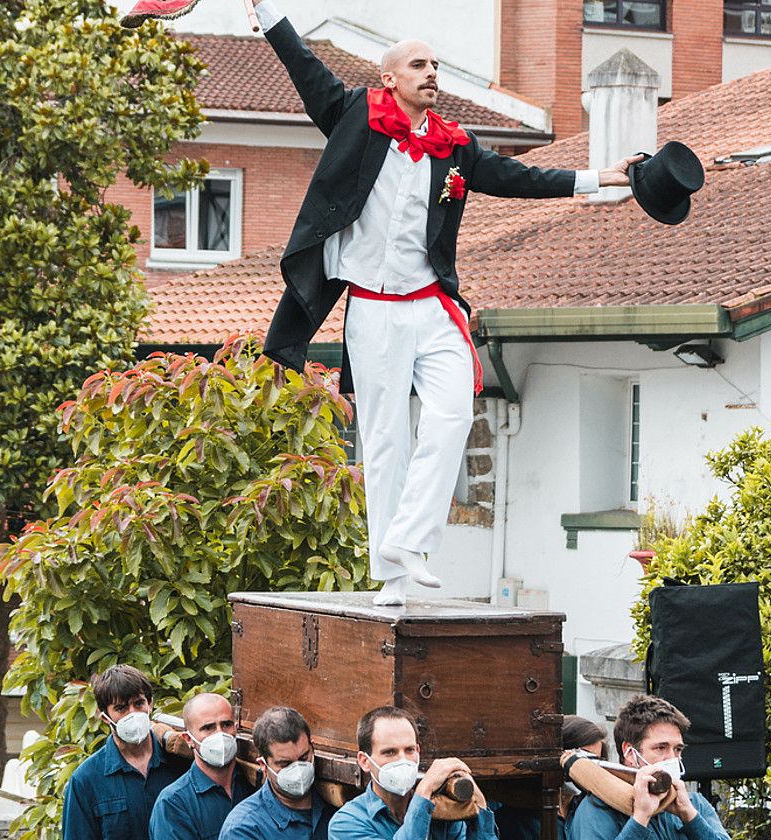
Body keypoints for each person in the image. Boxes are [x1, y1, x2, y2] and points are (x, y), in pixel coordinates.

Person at [248, 0, 643, 606]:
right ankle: (394, 576)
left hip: (432, 306)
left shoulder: (455, 147)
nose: (432, 72)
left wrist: (601, 177)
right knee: (384, 442)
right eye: (418, 64)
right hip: (374, 309)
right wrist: (265, 8)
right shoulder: (351, 114)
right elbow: (300, 61)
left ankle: (409, 540)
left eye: (436, 64)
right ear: (390, 79)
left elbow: (520, 178)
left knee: (454, 415)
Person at [568, 695, 730, 840]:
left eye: (678, 749)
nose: (672, 758)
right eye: (660, 748)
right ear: (629, 753)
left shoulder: (695, 803)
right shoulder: (596, 810)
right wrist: (640, 819)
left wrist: (690, 816)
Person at [329, 705, 496, 839]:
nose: (403, 760)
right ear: (364, 761)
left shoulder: (442, 813)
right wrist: (424, 791)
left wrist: (480, 806)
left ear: (418, 750)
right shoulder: (346, 823)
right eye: (390, 752)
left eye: (409, 750)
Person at [63, 665, 189, 840]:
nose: (133, 714)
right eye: (121, 708)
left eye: (139, 703)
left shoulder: (181, 761)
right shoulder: (86, 780)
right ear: (105, 717)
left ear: (150, 704)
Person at [220, 706, 334, 840]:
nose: (298, 770)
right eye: (285, 764)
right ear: (263, 765)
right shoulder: (243, 829)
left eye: (304, 758)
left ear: (312, 748)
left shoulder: (334, 806)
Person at [149, 693, 254, 839]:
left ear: (236, 728)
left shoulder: (252, 784)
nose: (220, 734)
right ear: (188, 739)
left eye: (226, 724)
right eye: (208, 727)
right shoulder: (174, 804)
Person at [494, 714, 609, 840]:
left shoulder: (590, 809)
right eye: (583, 759)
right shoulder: (515, 817)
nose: (590, 769)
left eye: (596, 762)